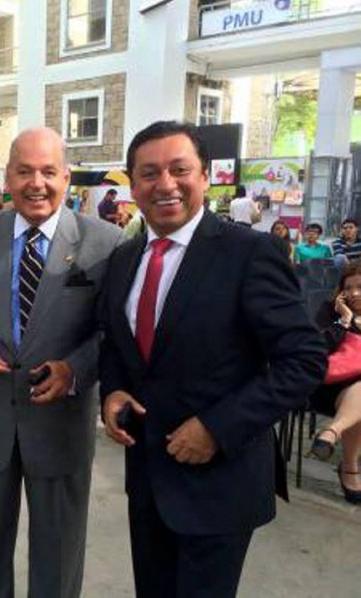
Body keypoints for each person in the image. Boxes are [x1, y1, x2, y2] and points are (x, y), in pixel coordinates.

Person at [99, 121, 325, 598]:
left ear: (206, 176)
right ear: (132, 185)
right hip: (148, 480)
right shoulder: (125, 259)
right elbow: (119, 348)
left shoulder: (250, 253)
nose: (165, 184)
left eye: (179, 169)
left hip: (218, 483)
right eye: (149, 173)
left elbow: (303, 360)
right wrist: (113, 388)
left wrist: (217, 429)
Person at [0, 127, 122, 597]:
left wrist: (76, 369)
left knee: (58, 557)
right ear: (7, 176)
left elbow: (112, 331)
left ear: (66, 177)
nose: (35, 183)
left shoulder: (106, 242)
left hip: (60, 424)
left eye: (47, 171)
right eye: (24, 171)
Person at [309, 261, 361, 504]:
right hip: (328, 384)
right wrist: (344, 320)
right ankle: (349, 467)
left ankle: (332, 433)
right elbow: (315, 350)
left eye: (360, 287)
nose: (354, 293)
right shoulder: (329, 312)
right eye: (348, 288)